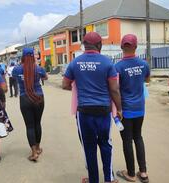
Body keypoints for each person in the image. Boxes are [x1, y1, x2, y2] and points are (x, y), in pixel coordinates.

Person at [62, 32, 122, 183]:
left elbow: (65, 84)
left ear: (84, 45)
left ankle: (93, 180)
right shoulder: (107, 63)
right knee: (106, 145)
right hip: (103, 112)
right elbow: (114, 90)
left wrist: (81, 87)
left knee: (89, 148)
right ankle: (108, 179)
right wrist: (119, 109)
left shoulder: (75, 63)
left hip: (84, 113)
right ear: (100, 45)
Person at [115, 34, 150, 183]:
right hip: (140, 108)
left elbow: (115, 88)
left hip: (126, 110)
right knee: (138, 137)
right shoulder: (144, 64)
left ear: (122, 47)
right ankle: (143, 172)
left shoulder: (118, 66)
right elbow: (147, 80)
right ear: (135, 47)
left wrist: (118, 109)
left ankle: (130, 173)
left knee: (127, 141)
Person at [12, 48, 48, 162]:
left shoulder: (16, 69)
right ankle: (38, 148)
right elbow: (45, 77)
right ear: (33, 56)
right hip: (38, 97)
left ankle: (33, 152)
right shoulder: (38, 68)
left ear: (22, 56)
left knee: (30, 126)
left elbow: (14, 77)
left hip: (25, 98)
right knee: (37, 123)